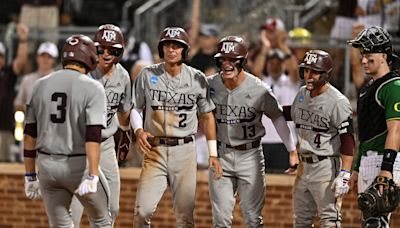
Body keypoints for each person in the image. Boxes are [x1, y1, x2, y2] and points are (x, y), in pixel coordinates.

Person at [130, 26, 219, 227]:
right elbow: (136, 108)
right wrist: (138, 130)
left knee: (185, 215)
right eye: (167, 46)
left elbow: (207, 116)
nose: (171, 50)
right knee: (142, 211)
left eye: (176, 46)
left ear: (185, 50)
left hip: (185, 150)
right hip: (155, 149)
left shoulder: (197, 77)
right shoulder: (147, 74)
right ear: (161, 49)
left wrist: (213, 153)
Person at [207, 36, 298, 227]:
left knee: (252, 218)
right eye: (223, 59)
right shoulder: (210, 85)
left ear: (242, 61)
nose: (227, 64)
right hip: (221, 154)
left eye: (233, 60)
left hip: (250, 155)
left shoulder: (260, 89)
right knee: (220, 219)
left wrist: (291, 150)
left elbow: (277, 117)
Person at [22, 34, 111, 227]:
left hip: (47, 167)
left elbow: (29, 135)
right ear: (88, 56)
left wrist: (29, 176)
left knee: (61, 226)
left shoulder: (39, 84)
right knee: (102, 220)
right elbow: (92, 136)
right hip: (79, 166)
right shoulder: (93, 87)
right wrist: (93, 174)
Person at [70, 24, 132, 227]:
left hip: (105, 145)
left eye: (112, 50)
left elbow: (124, 111)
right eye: (101, 49)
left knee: (112, 208)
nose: (106, 54)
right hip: (81, 146)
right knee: (75, 209)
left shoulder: (123, 76)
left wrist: (125, 134)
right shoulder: (82, 71)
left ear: (120, 52)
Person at [286, 50, 355, 227]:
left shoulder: (337, 101)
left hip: (325, 166)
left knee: (329, 220)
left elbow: (347, 139)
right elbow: (290, 113)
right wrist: (265, 107)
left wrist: (345, 174)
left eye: (314, 72)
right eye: (306, 71)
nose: (308, 76)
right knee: (300, 221)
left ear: (326, 74)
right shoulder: (302, 93)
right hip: (303, 167)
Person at [348, 26, 400, 227]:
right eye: (362, 55)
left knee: (375, 221)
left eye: (368, 55)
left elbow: (396, 129)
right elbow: (365, 135)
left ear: (384, 56)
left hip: (385, 159)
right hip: (368, 160)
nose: (363, 60)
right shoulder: (368, 88)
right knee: (370, 219)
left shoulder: (393, 85)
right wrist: (356, 168)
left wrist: (386, 169)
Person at [261, 48, 300, 173]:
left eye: (278, 63)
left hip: (286, 142)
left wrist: (283, 45)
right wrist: (264, 47)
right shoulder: (262, 83)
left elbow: (294, 70)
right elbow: (256, 70)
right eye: (271, 63)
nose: (274, 67)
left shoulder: (291, 82)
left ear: (284, 65)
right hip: (263, 140)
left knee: (285, 180)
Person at [0, 23, 29, 162]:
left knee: (5, 166)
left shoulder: (7, 73)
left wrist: (23, 39)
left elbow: (21, 60)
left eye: (0, 56)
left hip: (5, 129)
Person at [14, 41, 59, 112]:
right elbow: (18, 103)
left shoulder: (60, 80)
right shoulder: (27, 79)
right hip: (30, 120)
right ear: (37, 58)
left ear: (54, 60)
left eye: (49, 57)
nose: (45, 60)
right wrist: (26, 108)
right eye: (43, 56)